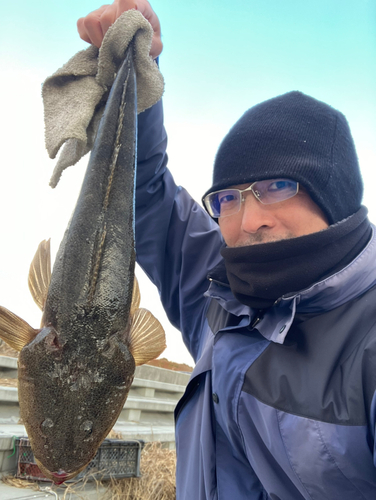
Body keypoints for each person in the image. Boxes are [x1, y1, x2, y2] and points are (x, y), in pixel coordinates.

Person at [78, 2, 376, 499]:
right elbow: (145, 190)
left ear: (335, 195)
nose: (248, 220)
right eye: (228, 198)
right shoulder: (218, 295)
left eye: (279, 185)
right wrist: (137, 72)